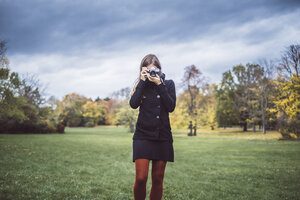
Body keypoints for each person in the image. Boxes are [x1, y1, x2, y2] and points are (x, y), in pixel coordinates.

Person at [129, 54, 176, 200]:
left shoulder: (168, 84)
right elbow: (133, 104)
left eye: (155, 70)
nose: (152, 73)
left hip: (162, 136)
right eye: (149, 70)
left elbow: (170, 106)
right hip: (143, 135)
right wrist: (142, 82)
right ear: (143, 71)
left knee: (157, 178)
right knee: (141, 178)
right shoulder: (141, 85)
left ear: (160, 69)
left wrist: (159, 84)